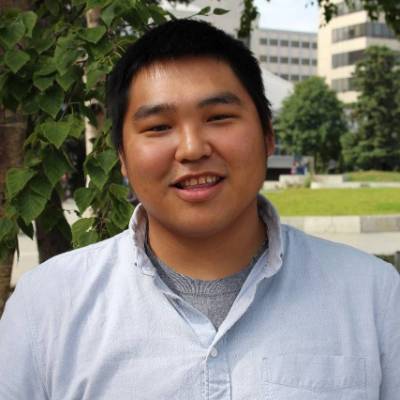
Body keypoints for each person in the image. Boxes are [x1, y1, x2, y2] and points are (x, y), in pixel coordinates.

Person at [0, 19, 399, 400]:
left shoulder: (374, 296)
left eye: (219, 117)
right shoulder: (48, 306)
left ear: (268, 136)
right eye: (159, 126)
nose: (192, 149)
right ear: (121, 156)